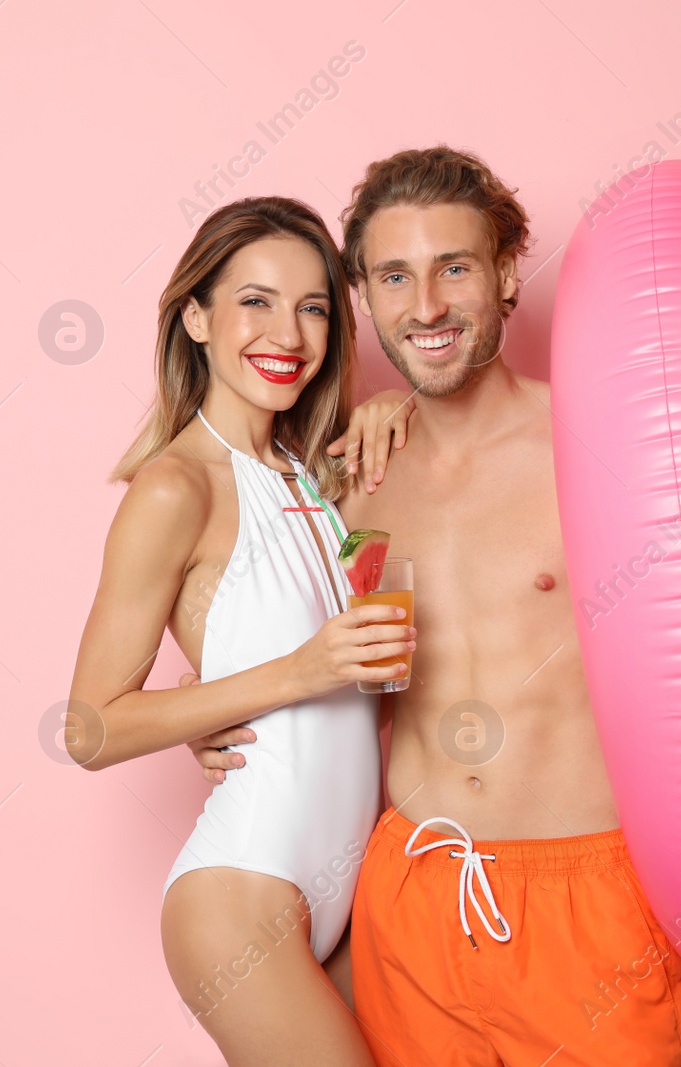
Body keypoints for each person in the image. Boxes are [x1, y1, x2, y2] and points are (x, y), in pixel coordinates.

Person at [190, 147, 681, 1065]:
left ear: (509, 272)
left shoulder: (612, 449)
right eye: (395, 275)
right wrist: (228, 719)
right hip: (413, 897)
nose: (426, 306)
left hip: (587, 902)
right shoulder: (351, 478)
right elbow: (285, 639)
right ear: (365, 294)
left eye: (455, 268)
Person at [66, 196, 414, 1066]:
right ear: (196, 316)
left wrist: (391, 409)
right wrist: (297, 673)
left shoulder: (312, 474)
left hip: (346, 891)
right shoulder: (176, 487)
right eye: (255, 301)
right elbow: (91, 725)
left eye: (313, 308)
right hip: (240, 892)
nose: (287, 334)